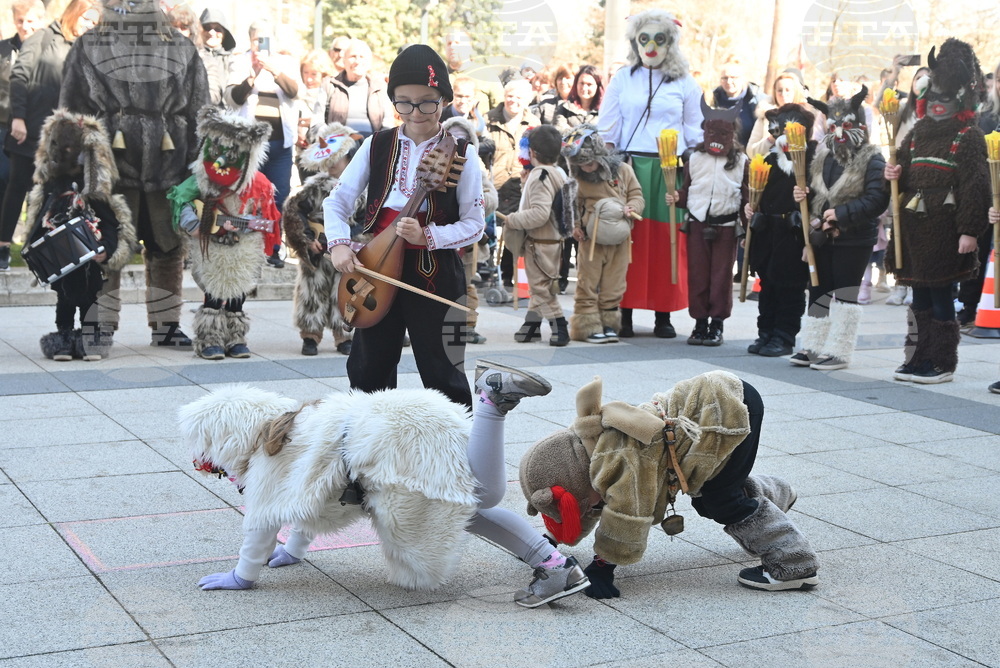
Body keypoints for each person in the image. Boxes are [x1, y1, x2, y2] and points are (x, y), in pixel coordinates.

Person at [192, 359, 592, 608]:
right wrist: (294, 551)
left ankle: (491, 401)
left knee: (479, 494)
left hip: (387, 439)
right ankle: (554, 566)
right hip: (399, 417)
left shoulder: (267, 457)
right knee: (463, 508)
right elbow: (301, 499)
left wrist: (244, 575)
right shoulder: (292, 424)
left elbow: (262, 519)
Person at [519, 370, 820, 596]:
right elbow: (587, 504)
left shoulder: (620, 460)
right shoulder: (589, 450)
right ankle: (777, 495)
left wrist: (602, 567)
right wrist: (552, 541)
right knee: (715, 487)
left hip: (726, 411)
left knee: (717, 501)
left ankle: (795, 564)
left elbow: (630, 513)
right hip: (721, 399)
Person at [323, 44, 486, 409]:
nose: (415, 113)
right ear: (392, 100)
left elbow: (474, 224)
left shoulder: (463, 153)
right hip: (375, 269)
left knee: (444, 372)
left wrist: (430, 235)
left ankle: (453, 459)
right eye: (404, 102)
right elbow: (337, 201)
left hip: (437, 270)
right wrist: (339, 243)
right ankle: (366, 454)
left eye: (427, 102)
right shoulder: (375, 144)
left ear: (444, 99)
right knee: (368, 370)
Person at [60, 0, 210, 349]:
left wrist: (195, 168)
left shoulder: (181, 46)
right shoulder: (89, 46)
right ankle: (102, 324)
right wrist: (75, 166)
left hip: (168, 164)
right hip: (110, 165)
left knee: (168, 247)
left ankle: (166, 324)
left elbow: (200, 108)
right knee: (107, 247)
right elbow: (70, 112)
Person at [884, 39, 991, 384]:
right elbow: (900, 172)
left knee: (942, 295)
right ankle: (917, 357)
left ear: (959, 100)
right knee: (918, 296)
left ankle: (942, 361)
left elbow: (976, 187)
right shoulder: (915, 134)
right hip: (914, 229)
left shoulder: (969, 136)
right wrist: (893, 175)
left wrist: (970, 231)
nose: (936, 105)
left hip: (946, 229)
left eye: (944, 99)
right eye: (932, 98)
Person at [598, 9, 704, 338]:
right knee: (627, 240)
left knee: (667, 241)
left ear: (670, 42)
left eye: (659, 40)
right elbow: (608, 125)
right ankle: (624, 311)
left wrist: (695, 165)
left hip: (669, 168)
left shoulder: (685, 81)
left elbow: (695, 128)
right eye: (644, 39)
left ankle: (664, 313)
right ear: (635, 41)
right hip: (629, 167)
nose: (651, 47)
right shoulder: (623, 77)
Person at [789, 87, 889, 370]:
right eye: (833, 126)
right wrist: (802, 198)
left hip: (854, 237)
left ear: (858, 125)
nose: (839, 132)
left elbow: (876, 199)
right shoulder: (822, 157)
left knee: (845, 293)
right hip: (821, 237)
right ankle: (813, 344)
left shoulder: (873, 159)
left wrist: (842, 214)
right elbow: (813, 196)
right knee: (818, 289)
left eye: (845, 125)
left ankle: (839, 351)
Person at [168, 107, 279, 360]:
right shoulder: (200, 179)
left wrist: (244, 224)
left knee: (238, 288)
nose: (221, 159)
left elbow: (266, 216)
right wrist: (193, 225)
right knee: (214, 290)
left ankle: (236, 336)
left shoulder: (259, 183)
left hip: (243, 245)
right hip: (212, 246)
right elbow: (181, 200)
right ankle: (210, 338)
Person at [28, 111, 136, 361]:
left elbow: (109, 224)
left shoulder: (94, 190)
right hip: (62, 261)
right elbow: (38, 223)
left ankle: (91, 339)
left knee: (90, 300)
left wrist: (107, 249)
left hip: (89, 260)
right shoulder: (51, 188)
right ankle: (64, 338)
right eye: (62, 149)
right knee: (64, 299)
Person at [2, 0, 98, 274]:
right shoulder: (42, 36)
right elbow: (19, 77)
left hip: (64, 140)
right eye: (87, 19)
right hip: (29, 131)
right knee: (17, 188)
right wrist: (17, 117)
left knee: (50, 195)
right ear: (74, 13)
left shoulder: (85, 49)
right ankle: (2, 246)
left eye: (94, 22)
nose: (90, 26)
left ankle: (37, 247)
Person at [669, 100, 748, 346]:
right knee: (699, 275)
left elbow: (746, 196)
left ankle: (717, 323)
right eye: (712, 132)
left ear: (732, 134)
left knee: (721, 277)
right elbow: (688, 190)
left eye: (723, 133)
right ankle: (699, 322)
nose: (716, 137)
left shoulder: (742, 161)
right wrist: (677, 198)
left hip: (726, 227)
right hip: (698, 225)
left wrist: (747, 224)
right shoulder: (694, 158)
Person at [743, 103, 817, 358]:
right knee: (768, 284)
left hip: (793, 232)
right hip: (768, 230)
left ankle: (784, 336)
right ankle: (766, 331)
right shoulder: (767, 160)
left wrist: (807, 194)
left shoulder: (812, 160)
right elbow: (755, 192)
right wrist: (750, 209)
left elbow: (820, 195)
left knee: (790, 286)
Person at [225, 21, 299, 273]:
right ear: (250, 40)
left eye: (266, 40)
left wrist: (275, 71)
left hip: (280, 145)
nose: (261, 45)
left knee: (278, 197)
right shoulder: (240, 62)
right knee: (248, 197)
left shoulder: (285, 62)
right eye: (257, 40)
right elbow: (233, 99)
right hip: (249, 146)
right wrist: (253, 74)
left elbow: (294, 91)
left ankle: (273, 249)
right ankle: (249, 248)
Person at [562, 125, 642, 344]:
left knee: (615, 283)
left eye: (590, 163)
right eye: (581, 165)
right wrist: (575, 227)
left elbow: (637, 195)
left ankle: (608, 321)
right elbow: (573, 206)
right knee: (587, 281)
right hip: (592, 239)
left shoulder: (624, 171)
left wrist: (632, 207)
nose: (586, 168)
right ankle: (587, 326)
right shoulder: (577, 179)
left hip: (620, 239)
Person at [285, 123, 358, 357]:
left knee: (345, 292)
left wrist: (352, 240)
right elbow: (294, 212)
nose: (334, 163)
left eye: (339, 158)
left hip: (347, 248)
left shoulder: (360, 189)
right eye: (330, 159)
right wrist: (306, 239)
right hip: (317, 250)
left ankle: (344, 335)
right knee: (312, 291)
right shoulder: (314, 187)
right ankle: (310, 336)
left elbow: (367, 218)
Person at [503, 125, 569, 346]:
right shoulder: (558, 172)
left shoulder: (539, 175)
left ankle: (560, 326)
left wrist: (513, 219)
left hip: (540, 242)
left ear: (531, 152)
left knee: (540, 288)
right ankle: (531, 326)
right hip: (553, 240)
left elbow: (540, 213)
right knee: (540, 285)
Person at [0, 0, 46, 271]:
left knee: (38, 187)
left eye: (30, 21)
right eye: (21, 21)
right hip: (6, 125)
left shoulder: (50, 51)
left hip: (39, 128)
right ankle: (3, 244)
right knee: (7, 180)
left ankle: (35, 243)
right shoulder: (5, 50)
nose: (26, 27)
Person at [442, 116, 496, 346]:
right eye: (452, 137)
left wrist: (472, 201)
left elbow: (491, 197)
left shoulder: (476, 166)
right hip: (439, 236)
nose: (456, 142)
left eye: (462, 138)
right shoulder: (434, 162)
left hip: (466, 240)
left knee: (464, 283)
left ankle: (467, 325)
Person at [880, 64, 929, 307]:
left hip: (926, 180)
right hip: (901, 176)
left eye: (928, 79)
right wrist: (892, 75)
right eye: (918, 78)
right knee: (898, 232)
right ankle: (899, 282)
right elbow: (882, 106)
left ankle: (914, 283)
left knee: (919, 234)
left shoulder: (936, 111)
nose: (922, 82)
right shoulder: (903, 108)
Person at [486, 69, 538, 287]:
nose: (513, 100)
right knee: (492, 235)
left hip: (520, 187)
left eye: (518, 97)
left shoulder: (534, 123)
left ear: (526, 100)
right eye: (510, 95)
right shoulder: (489, 120)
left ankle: (511, 278)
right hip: (494, 186)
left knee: (515, 233)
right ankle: (493, 275)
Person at [319, 38, 391, 139]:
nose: (357, 61)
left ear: (369, 62)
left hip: (372, 146)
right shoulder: (329, 85)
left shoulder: (380, 87)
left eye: (362, 57)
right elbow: (317, 122)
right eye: (352, 56)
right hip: (338, 146)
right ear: (344, 60)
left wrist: (379, 143)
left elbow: (388, 123)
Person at [746, 71, 823, 158]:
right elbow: (750, 152)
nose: (783, 94)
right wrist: (771, 139)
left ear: (795, 92)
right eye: (779, 90)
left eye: (787, 90)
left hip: (801, 168)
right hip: (770, 168)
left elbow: (818, 147)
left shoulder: (808, 116)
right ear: (774, 93)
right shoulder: (765, 115)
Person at [711, 59, 761, 149]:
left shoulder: (756, 100)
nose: (729, 81)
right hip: (719, 154)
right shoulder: (712, 99)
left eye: (733, 77)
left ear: (743, 78)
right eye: (725, 78)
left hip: (749, 155)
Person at [198, 7, 236, 106]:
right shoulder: (192, 57)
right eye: (207, 27)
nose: (212, 33)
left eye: (217, 29)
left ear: (224, 33)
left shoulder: (233, 60)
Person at [553, 64, 603, 131]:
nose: (584, 88)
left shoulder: (605, 111)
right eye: (581, 83)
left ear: (598, 87)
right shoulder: (564, 109)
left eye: (589, 84)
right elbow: (559, 132)